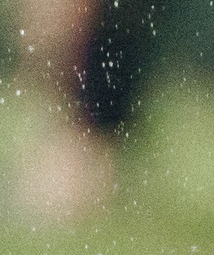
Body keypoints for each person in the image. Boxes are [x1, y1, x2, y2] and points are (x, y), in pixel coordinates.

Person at [16, 0, 167, 224]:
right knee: (90, 129)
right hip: (100, 40)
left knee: (92, 130)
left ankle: (77, 204)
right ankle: (78, 202)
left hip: (100, 41)